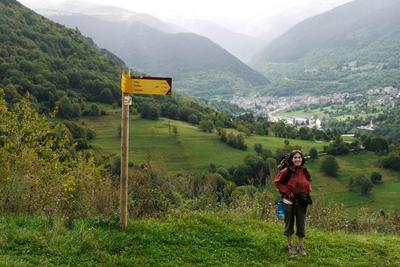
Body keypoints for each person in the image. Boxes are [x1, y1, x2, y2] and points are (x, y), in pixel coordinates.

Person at [274, 150, 312, 256]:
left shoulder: (304, 170)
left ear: (302, 159)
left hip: (301, 202)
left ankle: (301, 246)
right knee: (289, 224)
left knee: (301, 224)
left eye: (299, 157)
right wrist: (287, 192)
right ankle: (290, 246)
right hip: (289, 202)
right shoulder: (286, 171)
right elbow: (277, 182)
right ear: (291, 159)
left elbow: (309, 179)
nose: (297, 159)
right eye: (295, 157)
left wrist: (308, 190)